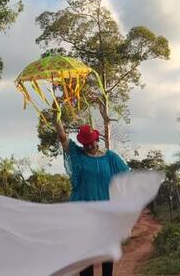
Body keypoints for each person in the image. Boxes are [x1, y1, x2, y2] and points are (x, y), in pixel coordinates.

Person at [54, 118, 130, 276]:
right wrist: (57, 120)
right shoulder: (78, 154)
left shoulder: (110, 158)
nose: (89, 146)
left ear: (97, 139)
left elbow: (126, 178)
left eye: (91, 142)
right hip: (83, 211)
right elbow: (62, 138)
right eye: (85, 144)